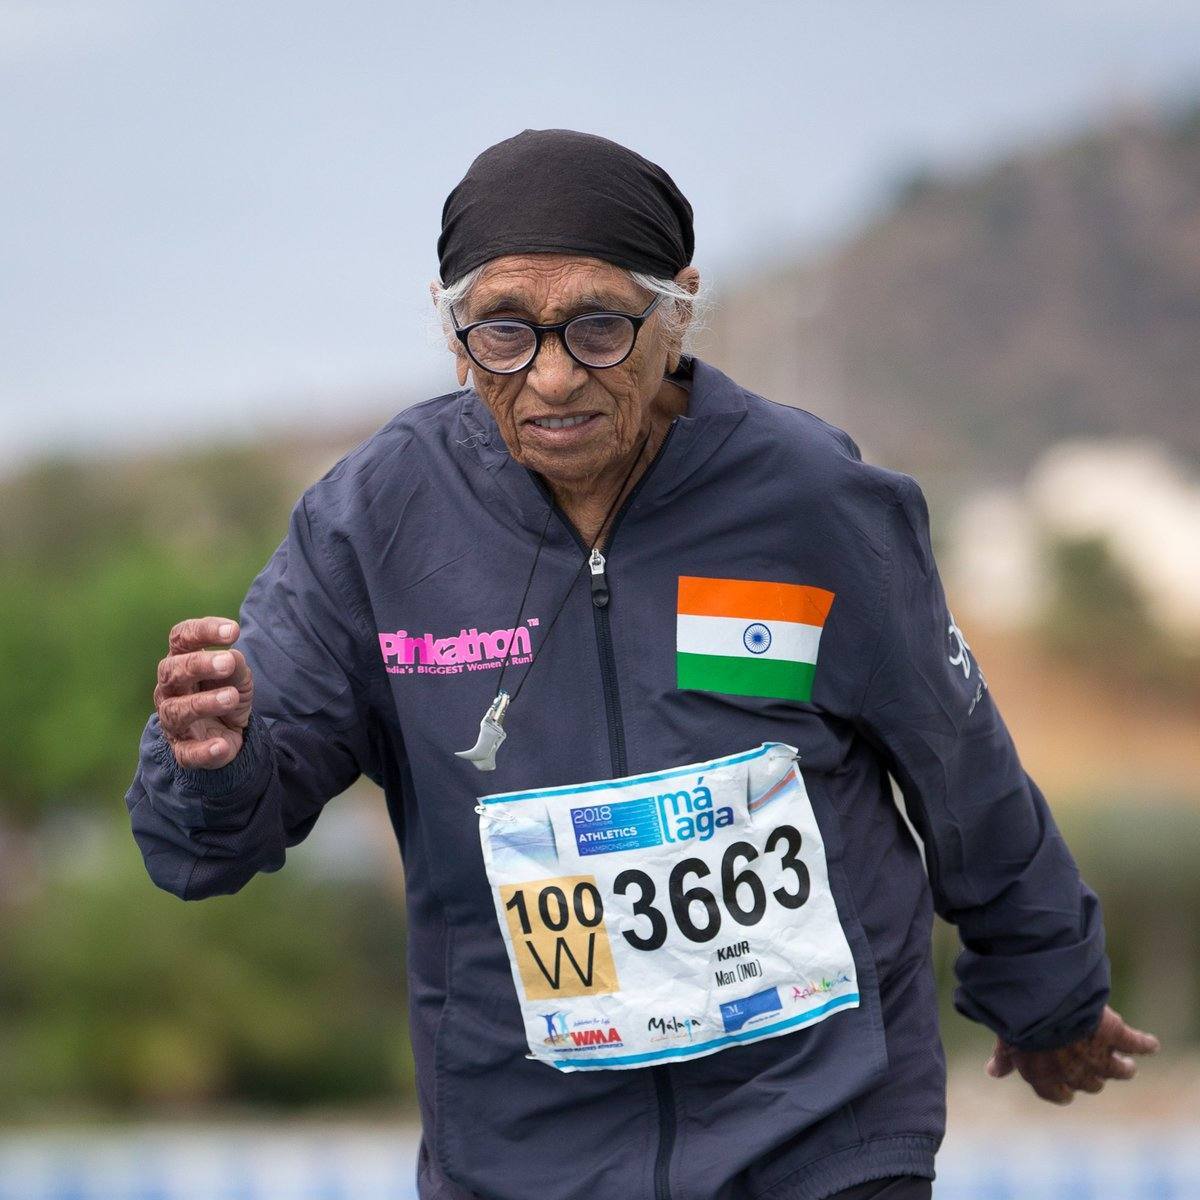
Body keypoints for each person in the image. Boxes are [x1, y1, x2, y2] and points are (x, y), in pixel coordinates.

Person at [125, 129, 1159, 1200]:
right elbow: (210, 843)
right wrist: (208, 763)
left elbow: (960, 765)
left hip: (821, 1137)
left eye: (601, 326)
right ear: (454, 333)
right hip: (522, 1158)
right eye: (506, 333)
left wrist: (1050, 995)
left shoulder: (813, 501)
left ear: (679, 313)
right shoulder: (374, 521)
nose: (556, 375)